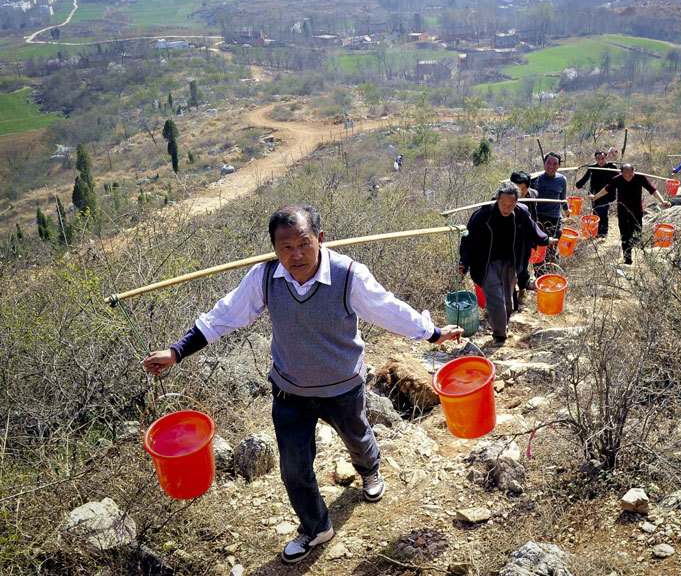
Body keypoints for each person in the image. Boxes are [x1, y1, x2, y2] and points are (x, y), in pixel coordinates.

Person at [141, 204, 463, 564]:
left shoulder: (348, 275)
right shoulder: (265, 277)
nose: (295, 255)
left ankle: (369, 470)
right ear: (273, 249)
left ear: (320, 240)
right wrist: (176, 351)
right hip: (289, 389)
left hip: (342, 385)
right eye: (285, 247)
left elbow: (387, 309)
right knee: (294, 468)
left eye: (304, 244)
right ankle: (315, 527)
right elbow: (224, 315)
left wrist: (433, 333)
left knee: (357, 436)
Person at [458, 181, 551, 344]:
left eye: (511, 204)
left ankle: (503, 325)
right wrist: (464, 262)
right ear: (496, 199)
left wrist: (546, 239)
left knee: (508, 301)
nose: (506, 208)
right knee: (496, 299)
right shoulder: (482, 215)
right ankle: (499, 335)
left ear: (517, 202)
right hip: (485, 263)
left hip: (511, 261)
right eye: (503, 203)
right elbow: (467, 239)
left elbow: (533, 230)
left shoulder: (521, 212)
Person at [591, 164, 671, 265]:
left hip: (637, 211)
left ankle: (634, 247)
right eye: (625, 176)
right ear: (621, 173)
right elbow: (606, 189)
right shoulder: (617, 179)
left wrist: (663, 201)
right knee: (625, 236)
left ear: (634, 172)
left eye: (630, 175)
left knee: (637, 234)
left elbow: (653, 190)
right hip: (623, 212)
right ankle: (627, 259)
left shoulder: (640, 178)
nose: (628, 178)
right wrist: (595, 197)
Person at [531, 152, 568, 273]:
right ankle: (539, 276)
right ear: (544, 163)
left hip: (554, 219)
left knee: (552, 247)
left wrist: (566, 210)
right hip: (538, 218)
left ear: (559, 166)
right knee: (539, 248)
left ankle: (552, 274)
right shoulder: (535, 179)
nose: (551, 166)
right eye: (548, 163)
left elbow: (563, 197)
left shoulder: (562, 180)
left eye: (555, 164)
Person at [574, 149, 618, 238]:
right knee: (596, 213)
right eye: (598, 159)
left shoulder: (612, 167)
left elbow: (618, 179)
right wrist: (578, 186)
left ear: (606, 158)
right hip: (594, 195)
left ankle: (603, 233)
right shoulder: (592, 168)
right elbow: (584, 179)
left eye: (603, 158)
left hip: (607, 194)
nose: (601, 161)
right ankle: (596, 232)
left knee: (604, 213)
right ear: (595, 159)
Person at [510, 170, 539, 301]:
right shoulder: (503, 198)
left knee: (523, 264)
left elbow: (534, 216)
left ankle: (522, 288)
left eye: (522, 189)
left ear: (528, 187)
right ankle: (510, 292)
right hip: (509, 237)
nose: (519, 193)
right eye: (516, 189)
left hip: (525, 236)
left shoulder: (533, 195)